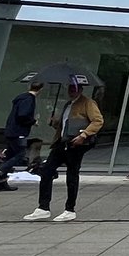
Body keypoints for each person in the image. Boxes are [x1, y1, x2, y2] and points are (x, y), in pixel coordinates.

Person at [27, 82, 103, 222]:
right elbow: (65, 125)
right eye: (70, 88)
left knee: (72, 175)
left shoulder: (87, 103)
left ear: (80, 89)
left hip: (76, 144)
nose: (71, 91)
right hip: (62, 143)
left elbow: (97, 121)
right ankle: (43, 207)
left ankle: (70, 209)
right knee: (47, 171)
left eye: (74, 89)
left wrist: (84, 135)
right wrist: (55, 122)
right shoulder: (68, 104)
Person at [0, 83, 44, 169]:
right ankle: (0, 171)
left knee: (10, 154)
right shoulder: (29, 99)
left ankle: (1, 177)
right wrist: (33, 121)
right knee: (20, 154)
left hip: (11, 130)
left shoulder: (21, 98)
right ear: (41, 90)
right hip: (19, 132)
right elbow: (23, 115)